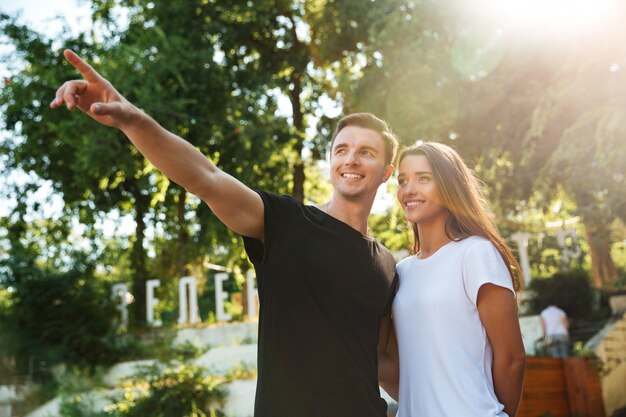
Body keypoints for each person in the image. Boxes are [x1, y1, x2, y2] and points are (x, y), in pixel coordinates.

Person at [51, 50, 399, 417]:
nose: (351, 160)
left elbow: (381, 361)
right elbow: (206, 177)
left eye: (366, 152)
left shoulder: (387, 265)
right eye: (341, 150)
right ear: (330, 162)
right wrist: (132, 119)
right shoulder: (286, 223)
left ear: (386, 172)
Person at [379, 142, 526, 417]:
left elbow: (512, 359)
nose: (408, 189)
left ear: (449, 186)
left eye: (423, 178)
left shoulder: (476, 252)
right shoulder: (401, 271)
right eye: (402, 181)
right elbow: (399, 367)